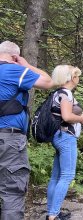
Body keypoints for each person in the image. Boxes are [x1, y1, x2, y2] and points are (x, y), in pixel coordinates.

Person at [0, 41, 53, 220]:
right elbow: (48, 82)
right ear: (15, 56)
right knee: (12, 190)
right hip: (9, 139)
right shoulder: (14, 70)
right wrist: (26, 64)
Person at [46, 65, 83, 220]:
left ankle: (51, 212)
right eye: (77, 75)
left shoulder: (56, 93)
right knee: (67, 176)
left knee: (56, 176)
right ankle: (53, 215)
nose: (78, 78)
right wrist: (82, 119)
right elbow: (67, 116)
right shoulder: (66, 94)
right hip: (66, 137)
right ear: (71, 78)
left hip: (57, 136)